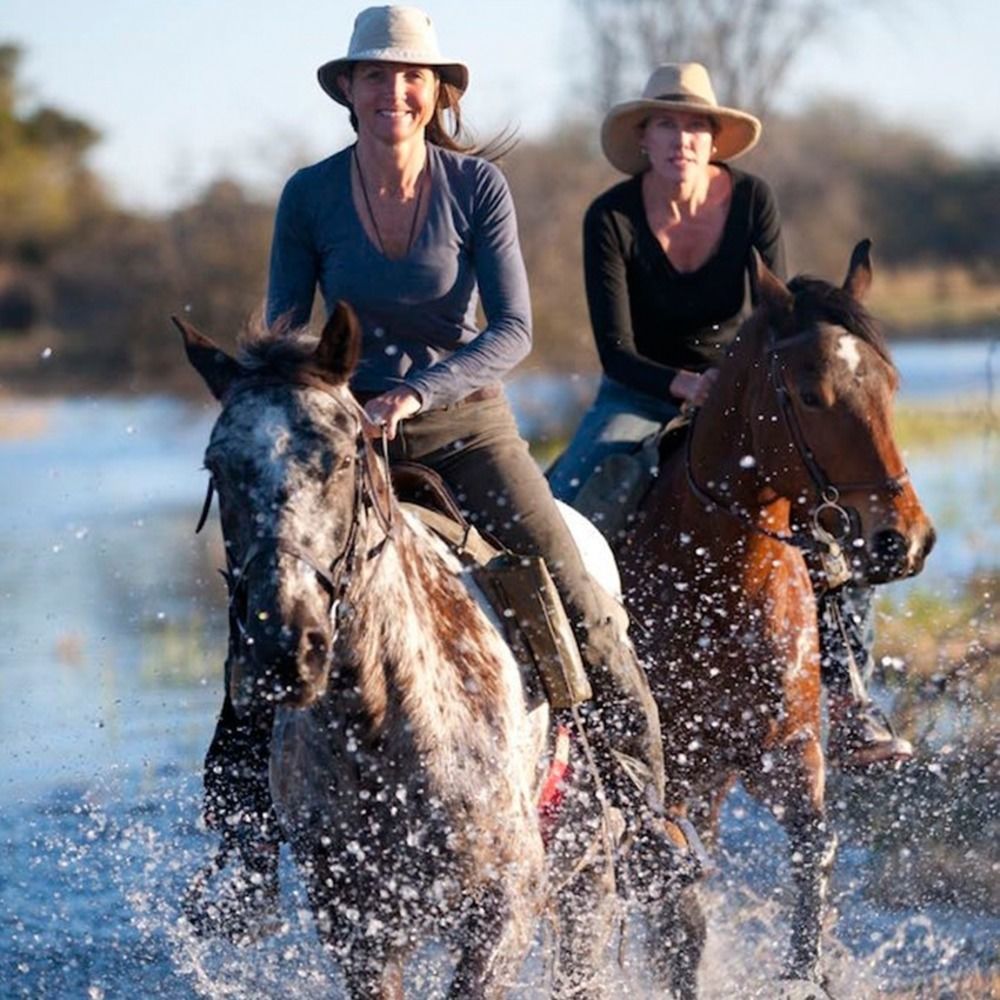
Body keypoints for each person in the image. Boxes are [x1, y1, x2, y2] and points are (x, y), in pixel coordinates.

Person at [195, 5, 675, 938]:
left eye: (411, 77)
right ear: (349, 91)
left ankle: (644, 811)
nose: (394, 91)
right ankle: (246, 847)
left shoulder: (476, 188)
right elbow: (284, 327)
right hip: (342, 437)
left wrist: (412, 398)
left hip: (464, 430)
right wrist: (300, 398)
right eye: (375, 76)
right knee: (267, 596)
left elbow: (514, 331)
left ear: (437, 92)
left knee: (577, 588)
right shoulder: (308, 195)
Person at [547, 63, 913, 772]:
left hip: (744, 392)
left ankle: (849, 695)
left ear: (714, 140)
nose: (681, 137)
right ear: (644, 139)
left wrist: (732, 386)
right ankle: (566, 696)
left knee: (827, 512)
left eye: (695, 125)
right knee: (567, 506)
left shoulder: (752, 202)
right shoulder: (612, 218)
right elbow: (615, 350)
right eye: (666, 124)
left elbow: (773, 316)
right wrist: (686, 383)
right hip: (641, 393)